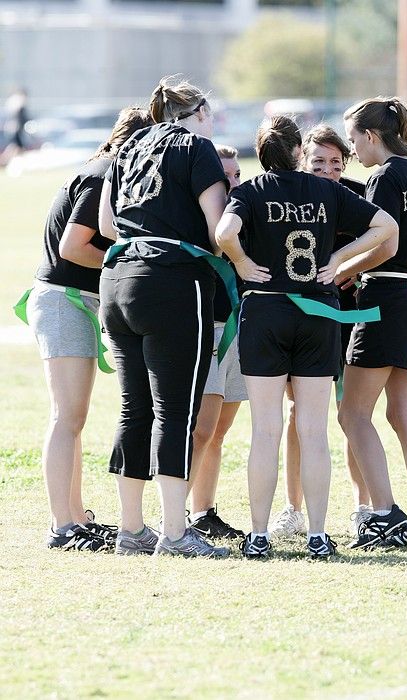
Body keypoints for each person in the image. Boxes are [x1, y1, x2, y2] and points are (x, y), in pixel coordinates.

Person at [215, 115, 397, 558]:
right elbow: (386, 227)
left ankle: (258, 535)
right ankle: (317, 534)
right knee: (314, 430)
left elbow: (224, 234)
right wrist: (338, 258)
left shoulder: (250, 191)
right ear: (299, 152)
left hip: (265, 310)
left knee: (266, 429)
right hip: (317, 312)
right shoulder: (327, 189)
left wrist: (240, 262)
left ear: (260, 154)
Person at [98, 75, 230, 558]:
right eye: (209, 114)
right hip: (174, 280)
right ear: (196, 113)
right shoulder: (196, 147)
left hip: (117, 281)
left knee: (135, 407)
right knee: (175, 410)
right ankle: (175, 531)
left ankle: (130, 530)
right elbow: (218, 231)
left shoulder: (129, 146)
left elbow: (108, 225)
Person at [24, 106, 153, 551]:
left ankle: (76, 517)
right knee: (68, 416)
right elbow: (73, 247)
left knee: (74, 418)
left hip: (75, 301)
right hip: (63, 301)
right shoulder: (102, 175)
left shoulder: (104, 171)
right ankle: (63, 526)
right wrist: (132, 264)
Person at [339, 97, 407, 549]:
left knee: (351, 413)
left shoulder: (384, 175)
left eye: (353, 140)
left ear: (371, 136)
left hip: (390, 297)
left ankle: (384, 514)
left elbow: (385, 242)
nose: (354, 152)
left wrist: (343, 269)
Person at [268, 124, 373, 540]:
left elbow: (385, 239)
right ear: (301, 160)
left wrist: (352, 266)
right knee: (300, 414)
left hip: (350, 314)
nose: (327, 170)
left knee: (352, 413)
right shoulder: (286, 194)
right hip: (299, 315)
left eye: (335, 162)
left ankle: (363, 506)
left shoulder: (355, 194)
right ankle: (293, 507)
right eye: (318, 162)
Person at [188, 145, 246, 540]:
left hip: (238, 328)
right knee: (201, 429)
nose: (233, 182)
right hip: (204, 328)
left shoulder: (246, 210)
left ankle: (203, 511)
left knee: (220, 430)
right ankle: (173, 515)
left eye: (237, 174)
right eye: (224, 175)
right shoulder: (198, 218)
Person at [0, 87, 29, 165]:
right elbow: (14, 115)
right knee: (14, 147)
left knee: (16, 147)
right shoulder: (17, 101)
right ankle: (3, 161)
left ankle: (7, 161)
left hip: (15, 129)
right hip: (14, 130)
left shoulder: (12, 101)